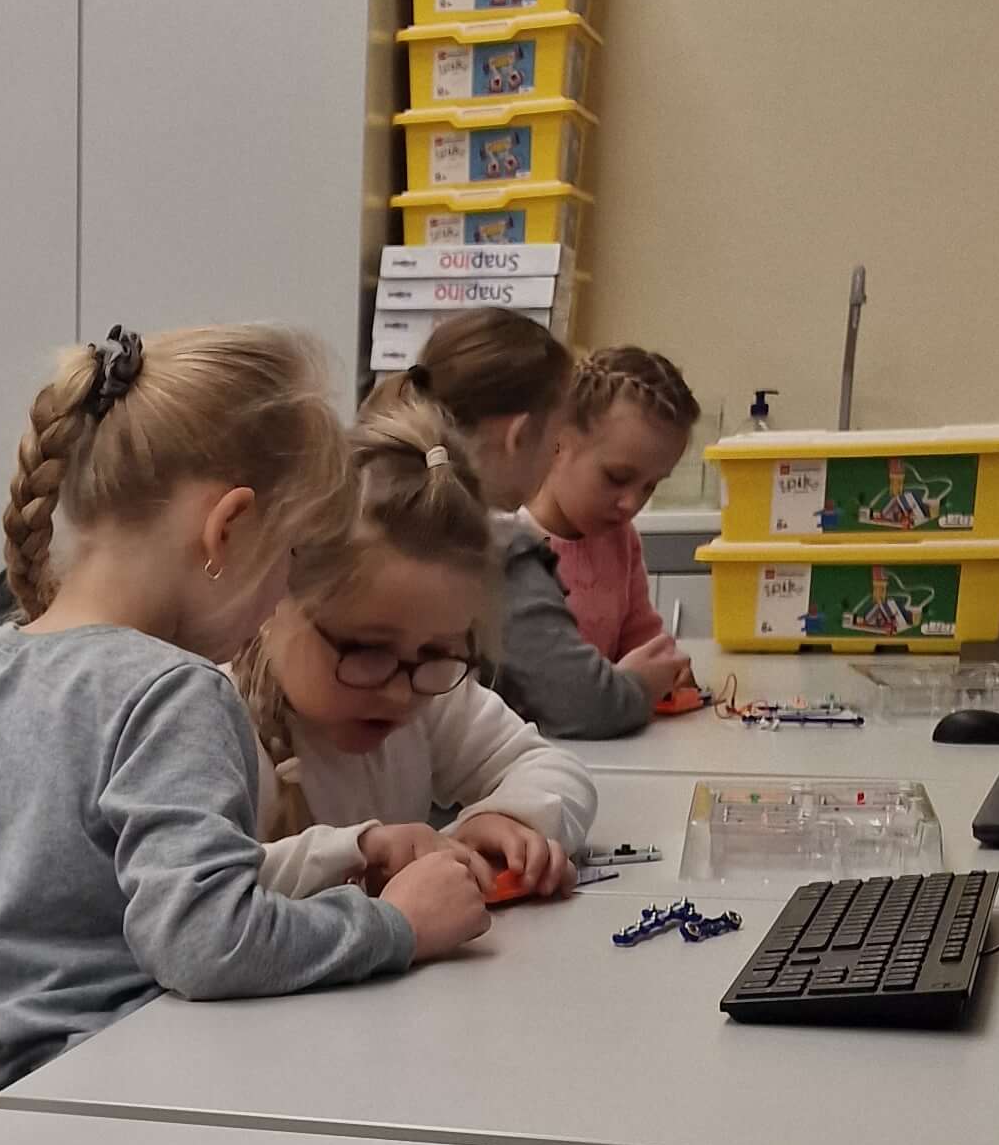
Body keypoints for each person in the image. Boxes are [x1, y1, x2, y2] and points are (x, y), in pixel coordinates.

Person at [0, 326, 490, 1101]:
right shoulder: (174, 691)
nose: (283, 594)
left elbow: (106, 897)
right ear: (227, 529)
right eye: (292, 556)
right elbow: (205, 941)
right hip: (124, 1101)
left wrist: (339, 855)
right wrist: (400, 928)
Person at [240, 387, 596, 901]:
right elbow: (195, 895)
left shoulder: (429, 697)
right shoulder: (212, 723)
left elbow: (558, 771)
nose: (400, 692)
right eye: (367, 649)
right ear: (275, 596)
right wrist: (360, 852)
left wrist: (506, 819)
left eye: (436, 652)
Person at [492, 342, 702, 739]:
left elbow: (642, 638)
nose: (631, 503)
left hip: (608, 745)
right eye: (617, 477)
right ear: (556, 444)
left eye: (650, 486)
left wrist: (668, 667)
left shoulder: (621, 541)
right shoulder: (513, 550)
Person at [395, 309, 575, 516]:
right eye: (556, 444)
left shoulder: (381, 505)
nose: (555, 459)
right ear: (519, 435)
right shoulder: (488, 535)